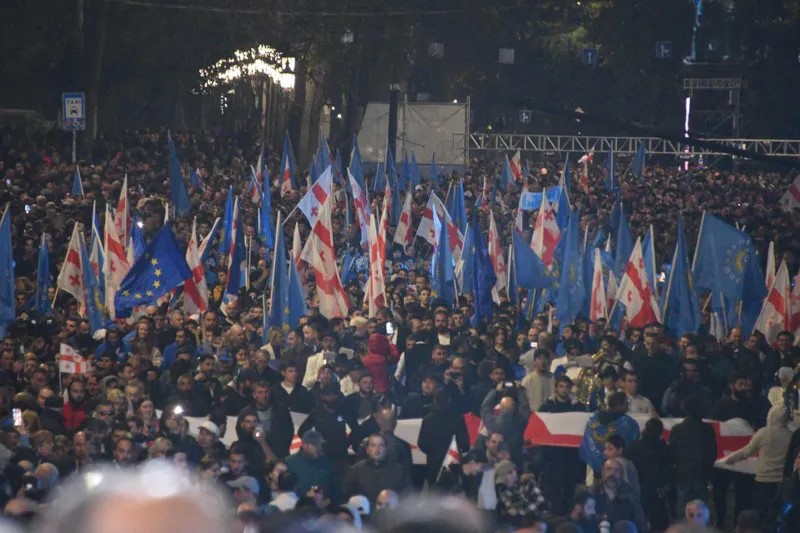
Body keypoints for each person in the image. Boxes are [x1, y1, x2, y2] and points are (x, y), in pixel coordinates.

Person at [724, 403, 792, 525]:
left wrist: (729, 459)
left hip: (763, 480)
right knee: (777, 514)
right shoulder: (791, 436)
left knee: (760, 514)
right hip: (782, 482)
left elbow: (746, 452)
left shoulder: (763, 433)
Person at [668, 395, 717, 514]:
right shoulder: (707, 429)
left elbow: (672, 452)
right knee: (700, 511)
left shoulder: (677, 429)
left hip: (683, 474)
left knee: (683, 510)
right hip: (701, 474)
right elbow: (712, 451)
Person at [624, 418, 673, 531]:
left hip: (638, 486)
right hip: (656, 488)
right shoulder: (662, 447)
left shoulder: (634, 446)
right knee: (659, 519)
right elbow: (668, 466)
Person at [579, 392, 640, 476]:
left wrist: (599, 462)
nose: (628, 404)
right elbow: (632, 445)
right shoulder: (629, 424)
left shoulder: (593, 420)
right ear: (620, 404)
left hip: (596, 470)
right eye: (626, 402)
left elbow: (589, 444)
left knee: (597, 487)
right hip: (619, 470)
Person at [343, 433, 411, 507]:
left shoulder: (399, 470)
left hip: (391, 514)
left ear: (386, 449)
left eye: (381, 445)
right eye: (373, 445)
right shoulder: (355, 471)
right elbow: (347, 496)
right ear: (367, 450)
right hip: (365, 515)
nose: (377, 449)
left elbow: (407, 496)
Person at [417, 390, 469, 485]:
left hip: (432, 464)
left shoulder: (427, 420)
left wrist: (432, 452)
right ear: (449, 400)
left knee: (434, 495)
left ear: (434, 400)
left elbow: (421, 443)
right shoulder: (458, 419)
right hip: (453, 464)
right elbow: (465, 444)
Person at [591, 459, 646, 533]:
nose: (612, 473)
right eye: (609, 469)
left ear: (621, 474)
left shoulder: (630, 494)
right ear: (603, 473)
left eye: (616, 470)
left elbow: (639, 524)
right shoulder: (593, 492)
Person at [284, 429, 336, 502]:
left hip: (323, 507)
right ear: (305, 445)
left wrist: (329, 500)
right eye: (315, 445)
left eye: (320, 445)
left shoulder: (325, 461)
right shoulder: (290, 462)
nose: (319, 448)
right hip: (297, 506)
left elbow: (332, 486)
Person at [494, 459, 546, 528]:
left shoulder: (528, 482)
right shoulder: (502, 489)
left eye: (505, 478)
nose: (503, 481)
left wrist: (521, 511)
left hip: (535, 522)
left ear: (513, 472)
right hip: (517, 525)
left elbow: (539, 499)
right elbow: (509, 507)